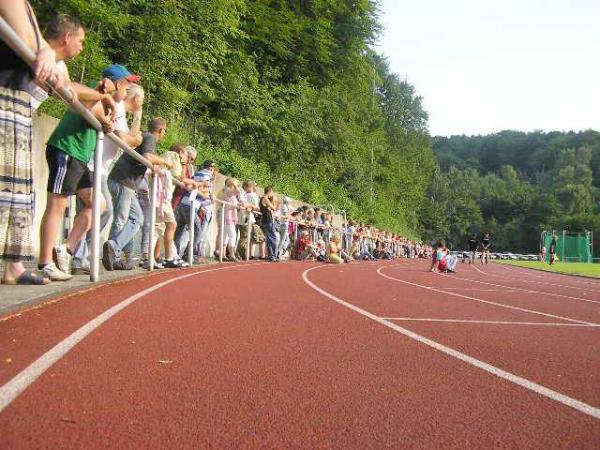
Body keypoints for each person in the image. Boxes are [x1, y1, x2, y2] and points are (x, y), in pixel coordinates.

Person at [38, 65, 133, 280]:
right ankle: (45, 262)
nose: (127, 93)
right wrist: (106, 114)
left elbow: (101, 112)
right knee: (58, 204)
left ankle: (66, 248)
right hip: (66, 149)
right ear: (117, 83)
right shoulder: (95, 89)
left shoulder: (103, 97)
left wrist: (108, 110)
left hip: (80, 157)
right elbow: (92, 109)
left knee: (99, 204)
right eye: (127, 87)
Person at [0, 5, 72, 285]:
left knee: (17, 191)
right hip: (6, 96)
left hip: (15, 101)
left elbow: (38, 44)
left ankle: (14, 265)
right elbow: (30, 42)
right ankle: (15, 265)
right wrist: (42, 52)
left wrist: (44, 51)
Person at [71, 80, 145, 274]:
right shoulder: (118, 107)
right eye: (142, 101)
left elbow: (129, 139)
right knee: (103, 211)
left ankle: (78, 256)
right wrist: (135, 133)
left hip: (100, 168)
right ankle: (76, 254)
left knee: (99, 211)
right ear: (137, 98)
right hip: (93, 165)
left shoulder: (121, 110)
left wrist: (135, 129)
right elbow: (125, 139)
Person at [103, 117, 171, 270]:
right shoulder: (150, 138)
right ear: (161, 130)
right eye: (165, 132)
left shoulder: (146, 137)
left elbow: (146, 160)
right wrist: (166, 162)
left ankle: (116, 249)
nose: (164, 135)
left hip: (125, 182)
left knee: (137, 217)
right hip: (123, 181)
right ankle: (114, 252)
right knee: (121, 219)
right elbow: (148, 157)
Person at [259, 186, 279, 262]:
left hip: (265, 221)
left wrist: (271, 208)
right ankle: (274, 255)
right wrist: (273, 200)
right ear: (269, 192)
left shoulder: (263, 199)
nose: (272, 194)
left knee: (270, 239)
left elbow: (272, 209)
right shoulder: (265, 199)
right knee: (274, 238)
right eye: (272, 192)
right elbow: (274, 208)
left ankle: (271, 256)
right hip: (268, 221)